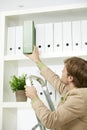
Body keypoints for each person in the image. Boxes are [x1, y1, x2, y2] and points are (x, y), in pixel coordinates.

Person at [25, 46, 87, 130]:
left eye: (64, 70)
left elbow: (51, 121)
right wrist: (37, 60)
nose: (62, 71)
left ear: (70, 78)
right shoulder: (72, 90)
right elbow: (55, 80)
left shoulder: (80, 98)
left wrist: (34, 97)